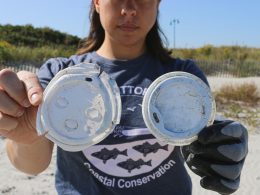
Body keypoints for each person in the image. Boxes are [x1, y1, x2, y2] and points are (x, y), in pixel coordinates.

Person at [0, 0, 248, 194]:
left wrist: (220, 147)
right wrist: (27, 132)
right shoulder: (62, 77)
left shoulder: (181, 78)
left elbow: (200, 144)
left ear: (158, 4)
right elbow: (31, 165)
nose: (129, 10)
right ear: (97, 2)